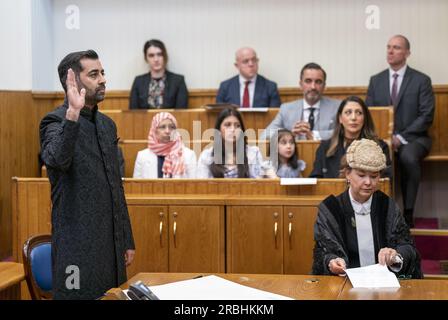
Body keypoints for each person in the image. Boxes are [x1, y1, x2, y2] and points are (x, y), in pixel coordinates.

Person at [40, 50, 135, 299]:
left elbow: (116, 186)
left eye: (103, 72)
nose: (103, 79)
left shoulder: (107, 125)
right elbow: (56, 160)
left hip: (111, 245)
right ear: (73, 80)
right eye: (94, 74)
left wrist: (126, 238)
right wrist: (72, 113)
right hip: (77, 248)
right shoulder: (53, 120)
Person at [312, 139, 422, 279]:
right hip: (344, 284)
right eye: (361, 175)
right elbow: (322, 252)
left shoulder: (387, 206)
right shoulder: (330, 209)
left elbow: (408, 247)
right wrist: (331, 262)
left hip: (382, 285)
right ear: (347, 173)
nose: (368, 182)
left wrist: (395, 256)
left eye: (374, 176)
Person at [366, 35, 435, 227]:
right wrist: (384, 139)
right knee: (374, 159)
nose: (390, 51)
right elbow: (369, 112)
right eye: (388, 47)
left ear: (407, 53)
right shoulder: (376, 80)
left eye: (396, 47)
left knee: (408, 158)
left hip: (414, 139)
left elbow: (426, 115)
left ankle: (408, 213)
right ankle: (381, 214)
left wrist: (400, 137)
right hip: (382, 139)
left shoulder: (421, 80)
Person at [310, 96, 392, 178]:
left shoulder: (379, 147)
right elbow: (316, 180)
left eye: (359, 113)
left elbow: (385, 183)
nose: (353, 118)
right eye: (348, 112)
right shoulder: (325, 147)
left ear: (365, 118)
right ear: (340, 118)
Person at [261, 62, 339, 140]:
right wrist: (289, 134)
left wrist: (315, 135)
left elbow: (345, 132)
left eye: (318, 82)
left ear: (324, 86)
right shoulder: (286, 109)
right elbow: (264, 135)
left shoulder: (337, 107)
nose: (313, 87)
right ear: (300, 84)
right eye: (308, 81)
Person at [197, 108, 263, 178]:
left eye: (237, 126)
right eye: (227, 125)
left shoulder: (253, 153)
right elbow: (201, 186)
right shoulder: (207, 156)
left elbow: (259, 184)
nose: (233, 129)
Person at [133, 112, 197, 178]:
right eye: (163, 127)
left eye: (171, 127)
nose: (167, 131)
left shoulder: (189, 155)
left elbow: (194, 185)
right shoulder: (142, 156)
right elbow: (136, 186)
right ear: (154, 130)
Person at [129, 39, 188, 109]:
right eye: (151, 55)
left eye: (159, 54)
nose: (156, 59)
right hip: (143, 120)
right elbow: (133, 113)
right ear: (146, 58)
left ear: (165, 56)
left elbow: (181, 113)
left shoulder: (178, 81)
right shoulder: (138, 81)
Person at [216, 47, 281, 108]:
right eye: (245, 61)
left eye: (254, 60)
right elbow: (220, 115)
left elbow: (275, 115)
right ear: (237, 66)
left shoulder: (270, 87)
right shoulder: (225, 87)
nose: (251, 64)